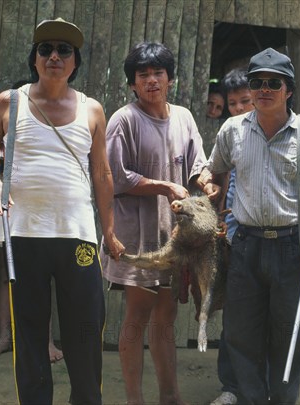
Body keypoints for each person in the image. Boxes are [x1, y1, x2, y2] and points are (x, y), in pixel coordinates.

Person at [0, 18, 124, 404]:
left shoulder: (91, 109)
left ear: (75, 62)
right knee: (30, 330)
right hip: (24, 233)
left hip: (77, 234)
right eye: (46, 49)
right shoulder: (10, 102)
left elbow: (102, 172)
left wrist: (108, 230)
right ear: (35, 59)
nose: (54, 56)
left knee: (86, 329)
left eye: (64, 50)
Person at [197, 48, 300, 403]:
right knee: (241, 333)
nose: (264, 89)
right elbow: (214, 171)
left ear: (288, 90)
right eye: (257, 82)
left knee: (288, 337)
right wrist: (209, 185)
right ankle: (248, 398)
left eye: (273, 83)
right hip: (245, 244)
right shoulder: (232, 131)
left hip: (291, 247)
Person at [100, 41, 206, 405]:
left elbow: (197, 165)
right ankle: (134, 399)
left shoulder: (184, 117)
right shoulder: (124, 120)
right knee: (137, 315)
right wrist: (164, 186)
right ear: (132, 83)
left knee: (167, 317)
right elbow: (115, 176)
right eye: (142, 75)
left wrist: (207, 182)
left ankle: (170, 396)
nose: (151, 81)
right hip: (139, 239)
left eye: (157, 73)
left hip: (172, 237)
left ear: (170, 79)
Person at [0, 79, 63, 363]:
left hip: (46, 209)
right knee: (7, 274)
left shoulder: (55, 125)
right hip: (10, 206)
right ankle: (6, 336)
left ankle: (46, 340)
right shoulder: (4, 125)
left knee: (46, 274)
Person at [210, 68, 254, 405]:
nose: (239, 108)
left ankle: (260, 385)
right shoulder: (230, 133)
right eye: (233, 103)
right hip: (235, 235)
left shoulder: (285, 130)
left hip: (275, 236)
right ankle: (232, 387)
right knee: (236, 313)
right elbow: (220, 177)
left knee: (267, 314)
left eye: (245, 101)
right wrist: (221, 216)